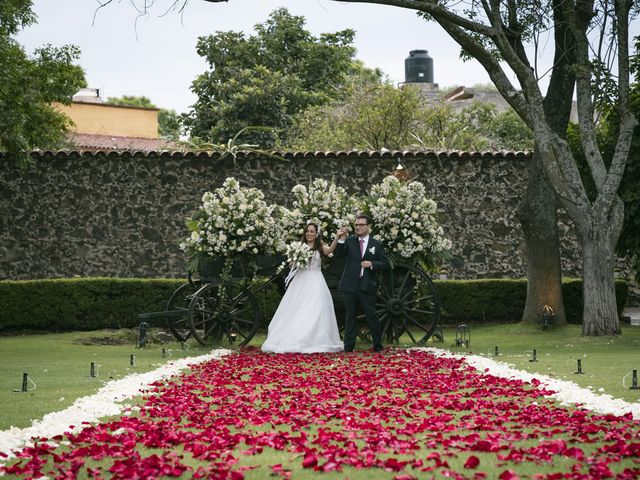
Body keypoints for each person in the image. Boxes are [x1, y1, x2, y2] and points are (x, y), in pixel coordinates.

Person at [261, 223, 344, 353]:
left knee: (317, 309)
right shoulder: (299, 246)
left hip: (316, 281)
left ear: (316, 234)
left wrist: (337, 237)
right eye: (307, 231)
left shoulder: (320, 246)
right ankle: (294, 338)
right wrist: (295, 260)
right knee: (296, 309)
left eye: (312, 231)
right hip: (301, 281)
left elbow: (329, 251)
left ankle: (316, 339)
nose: (309, 234)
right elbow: (291, 266)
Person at [335, 215, 389, 352]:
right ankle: (348, 346)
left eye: (361, 224)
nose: (358, 227)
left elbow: (386, 264)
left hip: (367, 285)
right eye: (356, 225)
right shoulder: (349, 241)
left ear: (368, 227)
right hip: (350, 285)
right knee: (350, 316)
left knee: (371, 316)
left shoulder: (376, 244)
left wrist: (372, 263)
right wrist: (341, 239)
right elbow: (339, 255)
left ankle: (377, 345)